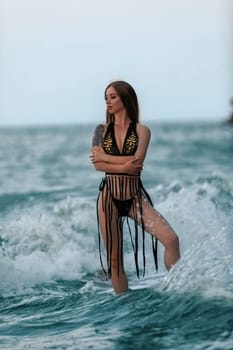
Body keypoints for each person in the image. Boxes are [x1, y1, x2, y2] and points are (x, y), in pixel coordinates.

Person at [90, 80, 180, 294]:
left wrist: (107, 159)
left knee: (172, 240)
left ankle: (178, 289)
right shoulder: (101, 130)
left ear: (125, 99)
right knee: (114, 259)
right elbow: (97, 165)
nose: (108, 102)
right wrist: (121, 163)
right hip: (108, 199)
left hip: (134, 199)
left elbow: (136, 167)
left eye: (112, 97)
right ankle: (123, 303)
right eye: (106, 98)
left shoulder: (142, 131)